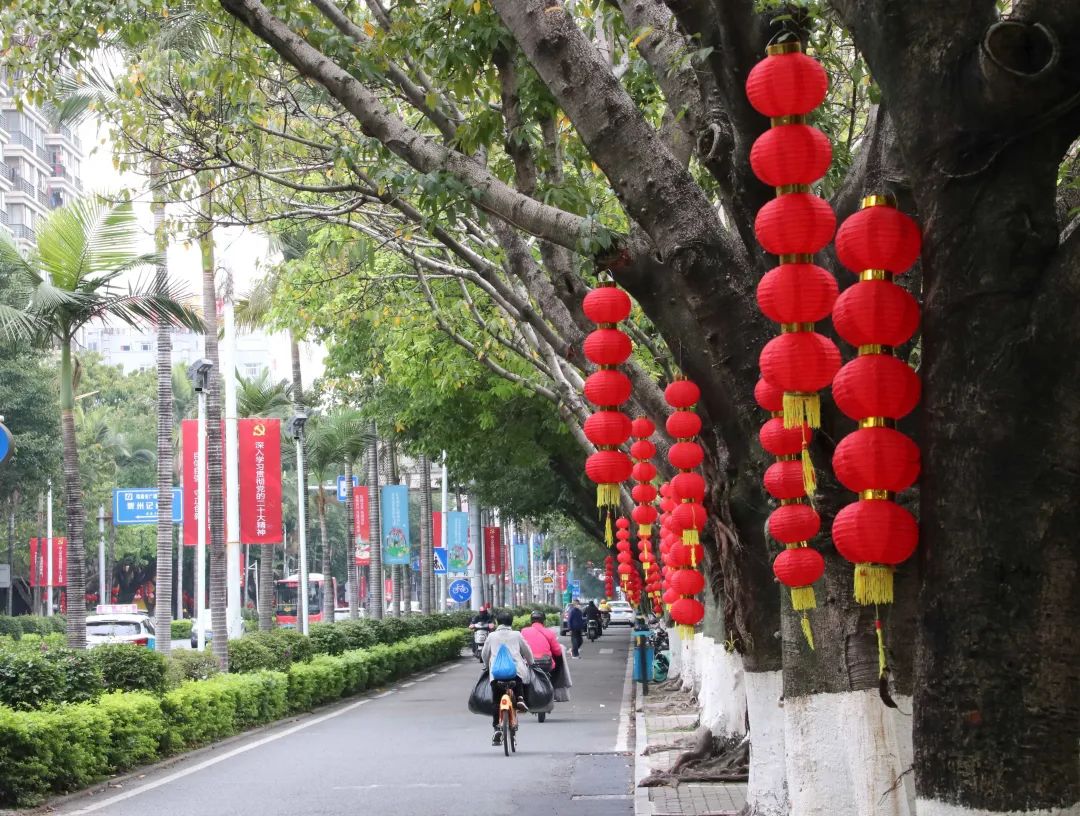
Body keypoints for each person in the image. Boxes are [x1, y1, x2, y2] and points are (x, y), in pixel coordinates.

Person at [481, 610, 535, 745]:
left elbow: (484, 654)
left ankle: (496, 728)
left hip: (496, 674)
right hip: (514, 673)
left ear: (497, 622)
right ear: (511, 622)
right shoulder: (517, 635)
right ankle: (521, 698)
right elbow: (527, 651)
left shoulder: (492, 636)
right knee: (519, 679)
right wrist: (532, 662)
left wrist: (486, 665)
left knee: (496, 701)